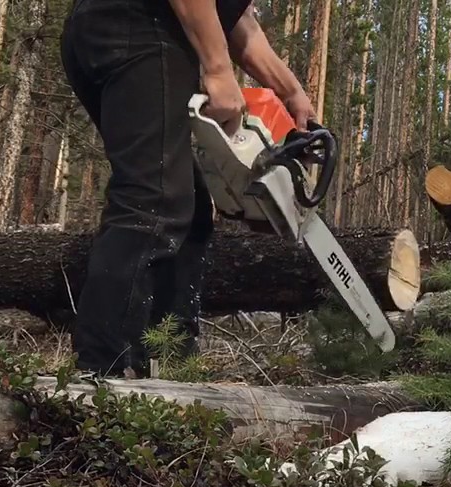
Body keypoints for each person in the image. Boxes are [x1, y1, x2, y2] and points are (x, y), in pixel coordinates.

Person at [60, 0, 315, 378]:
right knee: (153, 200)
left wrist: (291, 92)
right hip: (140, 25)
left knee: (188, 207)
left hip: (109, 28)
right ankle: (102, 371)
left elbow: (239, 20)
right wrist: (217, 68)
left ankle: (169, 362)